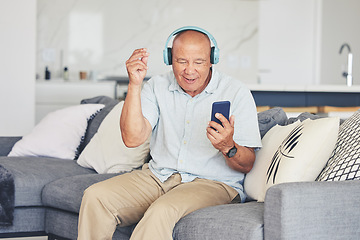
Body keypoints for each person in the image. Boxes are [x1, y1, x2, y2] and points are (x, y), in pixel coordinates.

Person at [77, 26, 262, 240]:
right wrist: (135, 85)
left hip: (212, 183)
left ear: (212, 59)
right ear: (169, 59)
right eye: (181, 61)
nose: (189, 70)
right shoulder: (157, 86)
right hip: (158, 176)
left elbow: (248, 163)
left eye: (198, 62)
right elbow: (132, 138)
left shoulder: (236, 92)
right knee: (96, 197)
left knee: (161, 211)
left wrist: (227, 146)